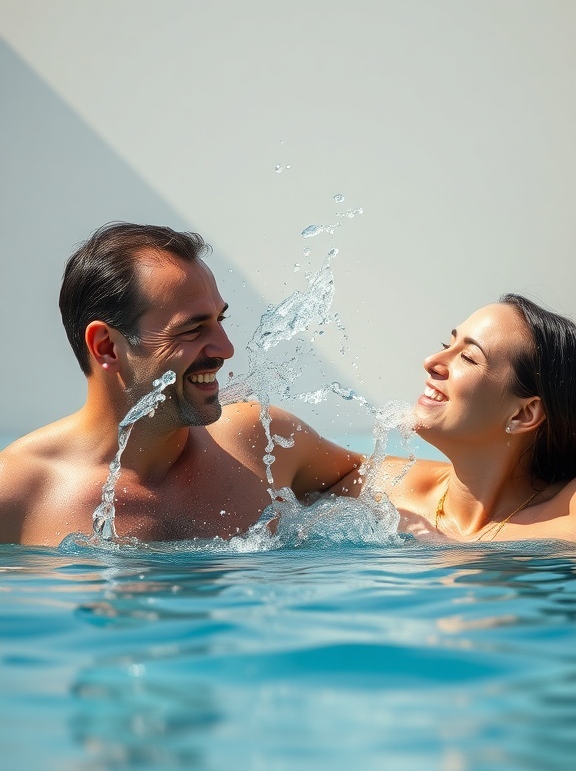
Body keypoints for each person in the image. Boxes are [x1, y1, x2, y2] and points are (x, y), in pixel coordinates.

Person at [0, 222, 361, 546]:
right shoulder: (16, 493)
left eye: (220, 320)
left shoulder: (256, 441)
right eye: (192, 328)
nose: (226, 349)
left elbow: (376, 480)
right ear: (107, 346)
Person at [342, 294, 576, 543]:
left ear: (523, 414)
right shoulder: (387, 488)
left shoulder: (563, 519)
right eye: (447, 345)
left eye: (468, 357)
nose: (430, 362)